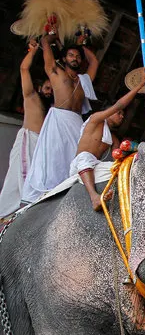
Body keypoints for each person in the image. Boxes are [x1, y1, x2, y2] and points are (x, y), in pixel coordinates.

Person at [22, 25, 99, 204]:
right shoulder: (55, 72)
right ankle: (50, 196)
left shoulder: (84, 80)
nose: (75, 58)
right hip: (59, 120)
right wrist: (50, 38)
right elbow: (44, 44)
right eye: (71, 55)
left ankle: (73, 194)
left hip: (76, 122)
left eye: (78, 56)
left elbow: (94, 61)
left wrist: (82, 45)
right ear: (63, 58)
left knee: (76, 158)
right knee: (54, 157)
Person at [70, 72, 145, 210]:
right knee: (85, 157)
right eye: (119, 113)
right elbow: (119, 105)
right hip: (81, 164)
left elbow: (116, 158)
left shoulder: (114, 138)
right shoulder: (96, 119)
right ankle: (94, 197)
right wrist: (140, 85)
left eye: (123, 115)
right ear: (108, 111)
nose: (121, 116)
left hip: (96, 165)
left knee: (120, 169)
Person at [0, 39, 52, 219]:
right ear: (40, 87)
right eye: (47, 87)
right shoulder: (31, 97)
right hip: (27, 140)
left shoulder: (52, 109)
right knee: (19, 176)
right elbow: (24, 69)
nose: (49, 91)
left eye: (52, 89)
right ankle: (7, 213)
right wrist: (33, 50)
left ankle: (17, 214)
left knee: (34, 178)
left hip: (40, 146)